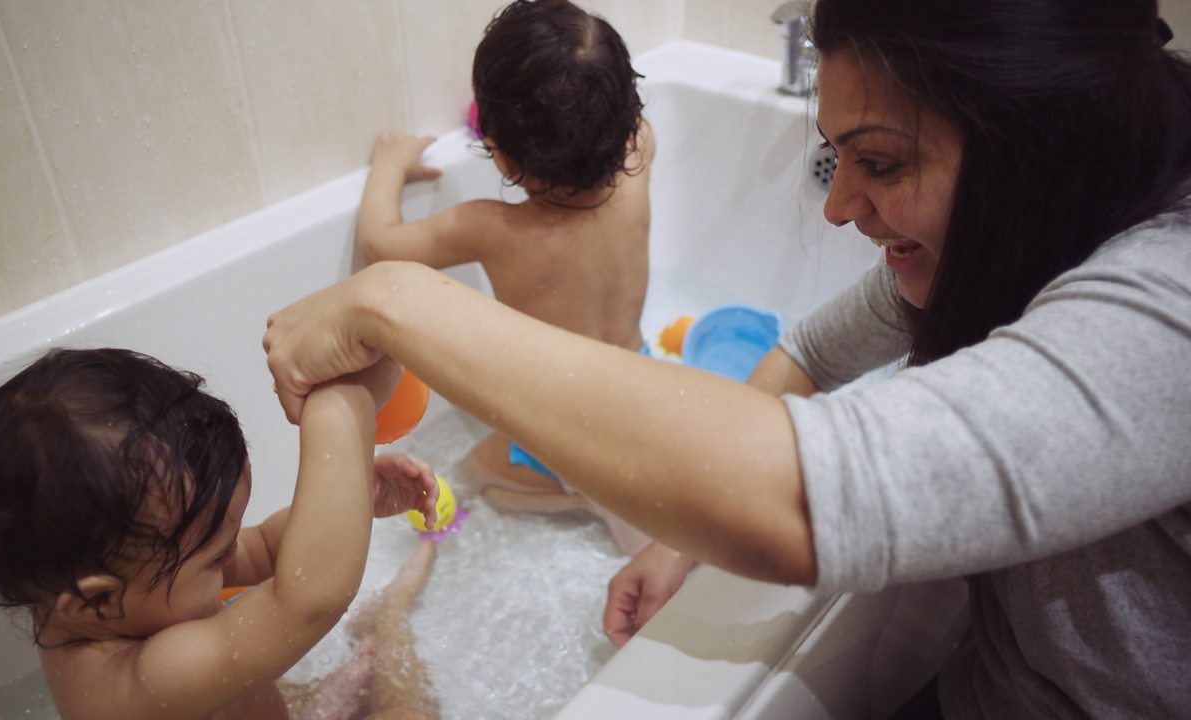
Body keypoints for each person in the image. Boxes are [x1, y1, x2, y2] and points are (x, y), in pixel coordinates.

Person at [262, 0, 1191, 717]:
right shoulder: (977, 253)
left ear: (1033, 148)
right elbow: (808, 353)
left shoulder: (1166, 303)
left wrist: (395, 299)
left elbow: (809, 494)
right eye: (836, 159)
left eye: (881, 163)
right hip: (983, 690)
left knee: (468, 489)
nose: (837, 208)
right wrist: (673, 537)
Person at [0, 348, 442, 720]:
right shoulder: (125, 687)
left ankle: (385, 621)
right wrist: (346, 409)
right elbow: (306, 601)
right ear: (96, 600)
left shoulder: (131, 584)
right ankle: (392, 611)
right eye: (216, 559)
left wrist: (354, 496)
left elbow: (261, 549)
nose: (233, 557)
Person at [355, 0, 656, 555]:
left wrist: (390, 166)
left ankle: (586, 494)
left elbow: (379, 243)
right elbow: (627, 119)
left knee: (471, 477)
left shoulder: (493, 228)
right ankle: (612, 490)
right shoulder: (640, 156)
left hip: (569, 431)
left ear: (502, 157)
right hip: (640, 389)